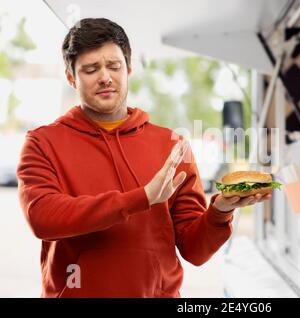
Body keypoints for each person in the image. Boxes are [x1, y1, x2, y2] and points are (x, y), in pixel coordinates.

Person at [16, 18, 271, 298]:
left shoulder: (172, 146)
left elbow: (195, 251)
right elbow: (43, 218)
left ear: (129, 69)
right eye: (90, 69)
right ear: (70, 77)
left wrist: (221, 211)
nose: (105, 77)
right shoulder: (42, 142)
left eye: (114, 66)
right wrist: (142, 197)